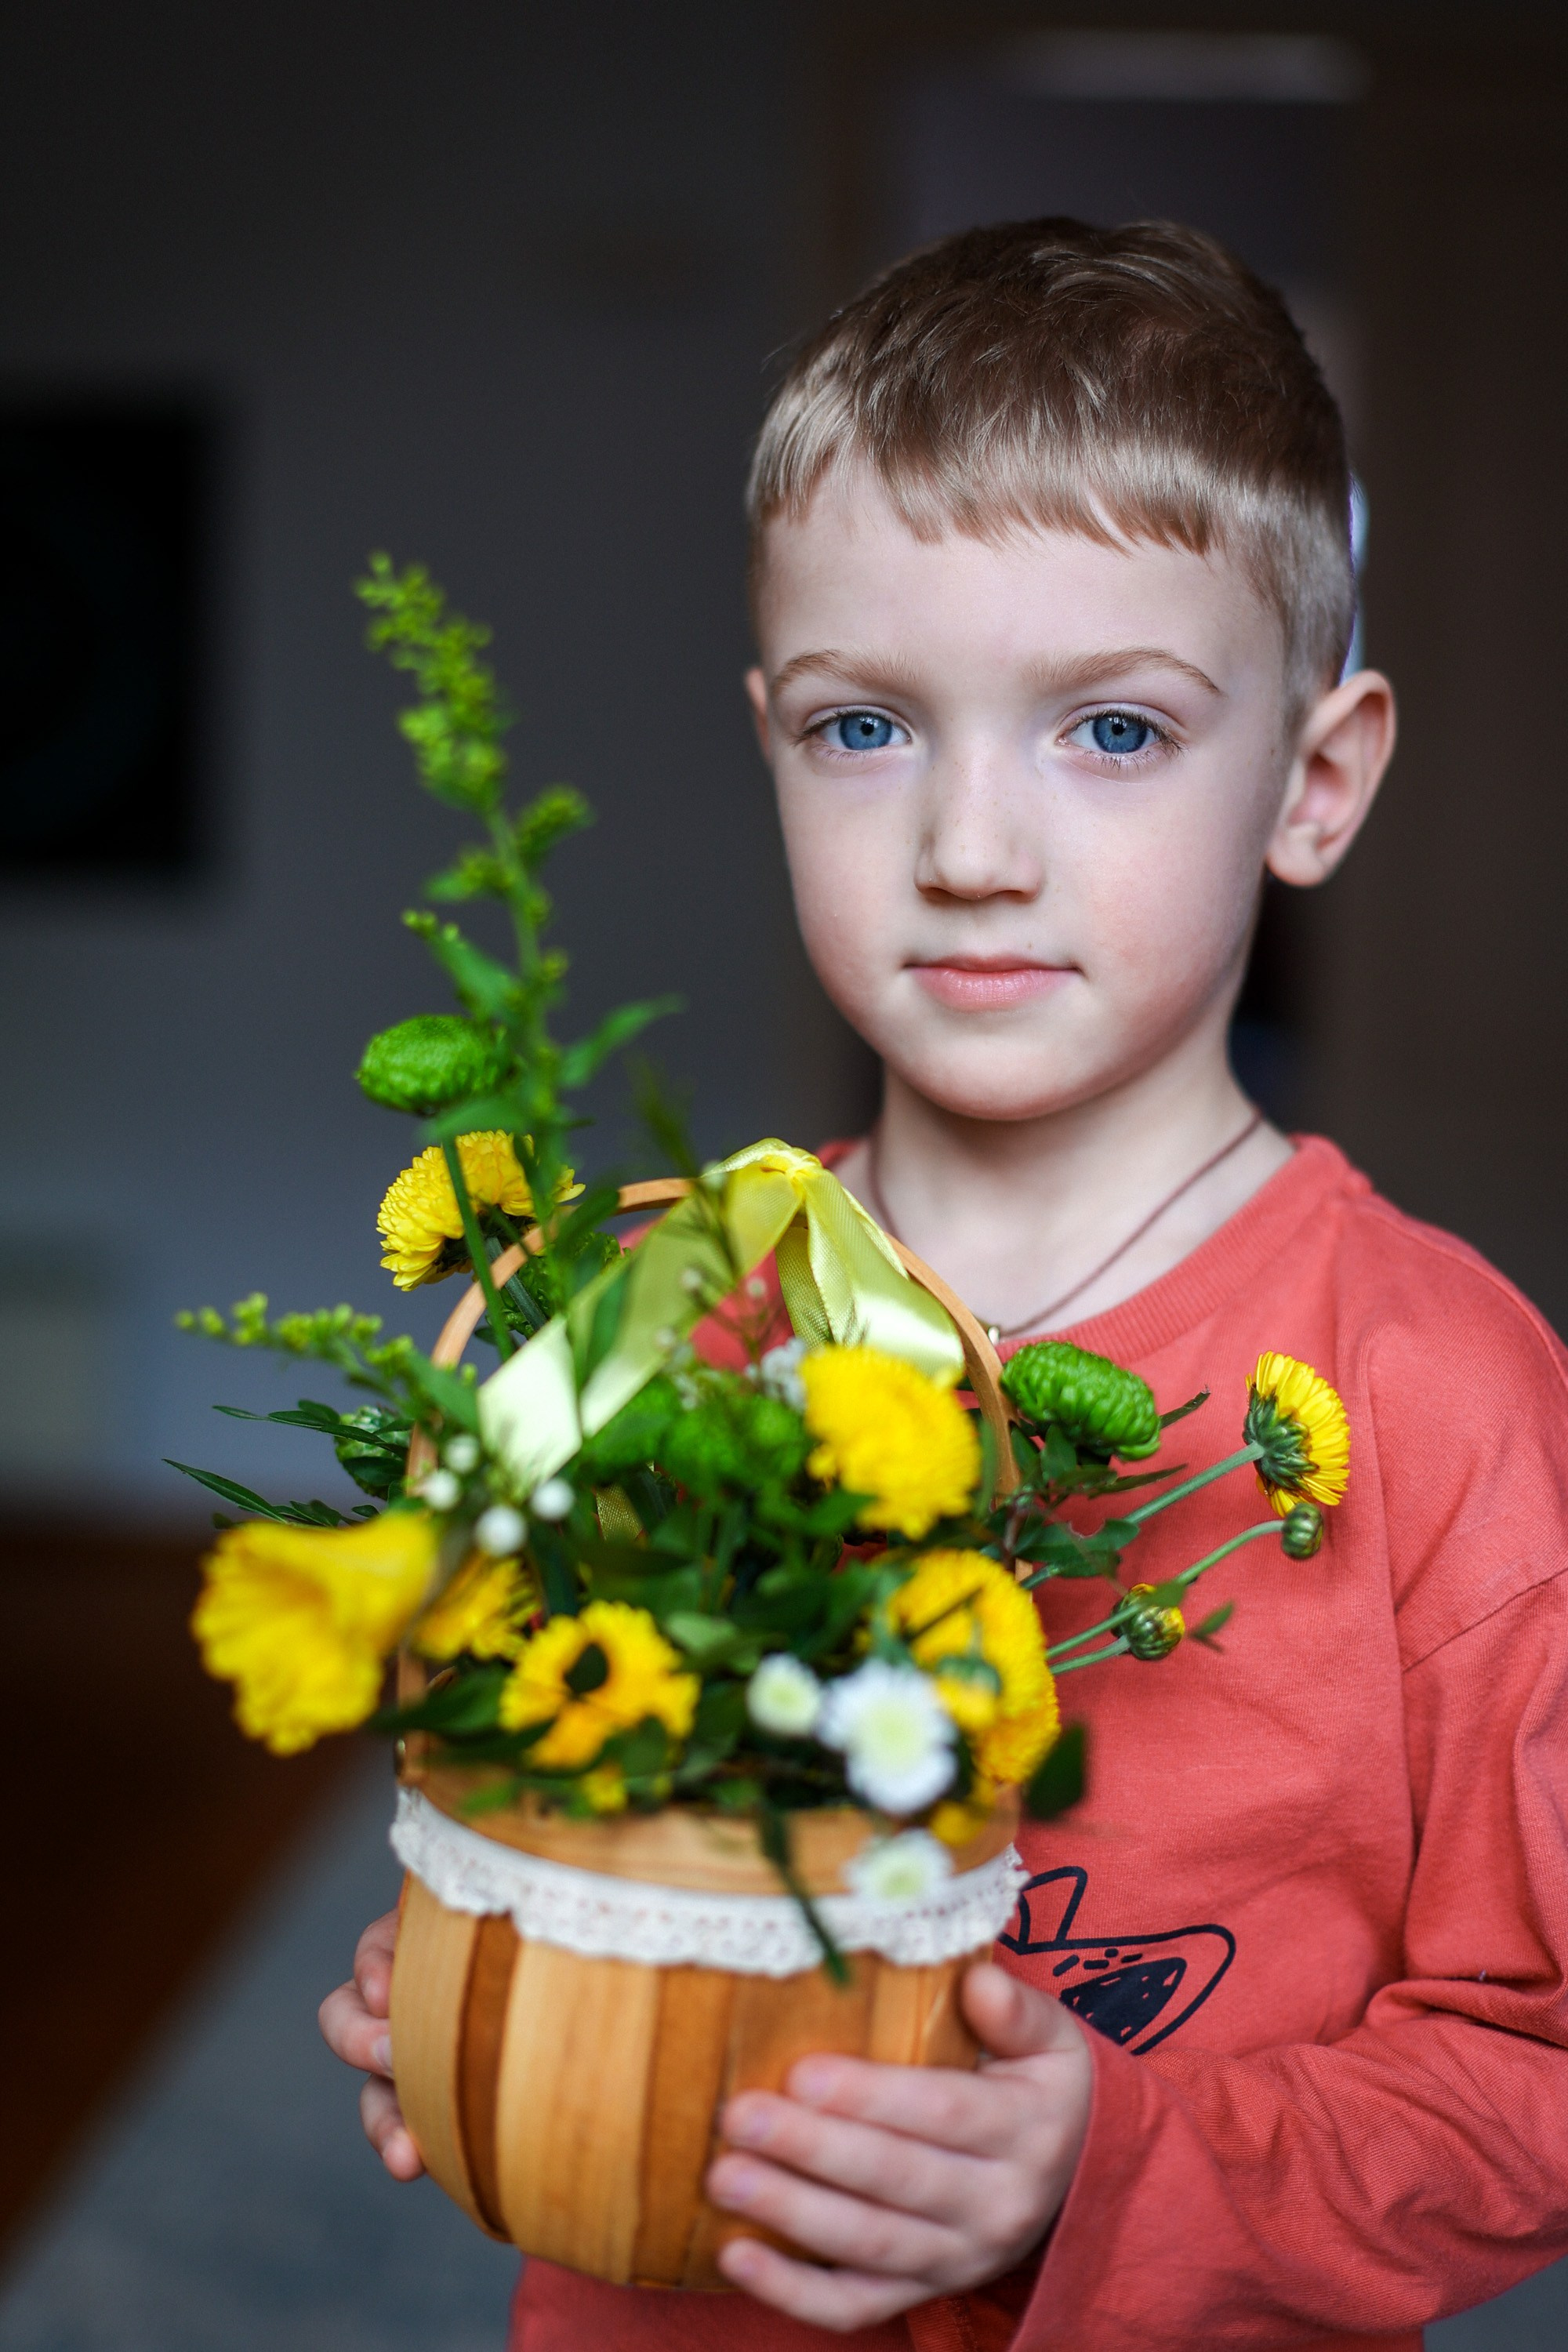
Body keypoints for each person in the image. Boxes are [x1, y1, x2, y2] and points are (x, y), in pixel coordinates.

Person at [318, 219, 1568, 2350]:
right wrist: (486, 1950)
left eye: (1111, 731)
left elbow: (1535, 2071)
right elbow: (548, 1767)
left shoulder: (1448, 1391)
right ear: (770, 741)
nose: (971, 844)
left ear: (1318, 778)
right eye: (867, 728)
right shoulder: (646, 1316)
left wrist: (1121, 2162)